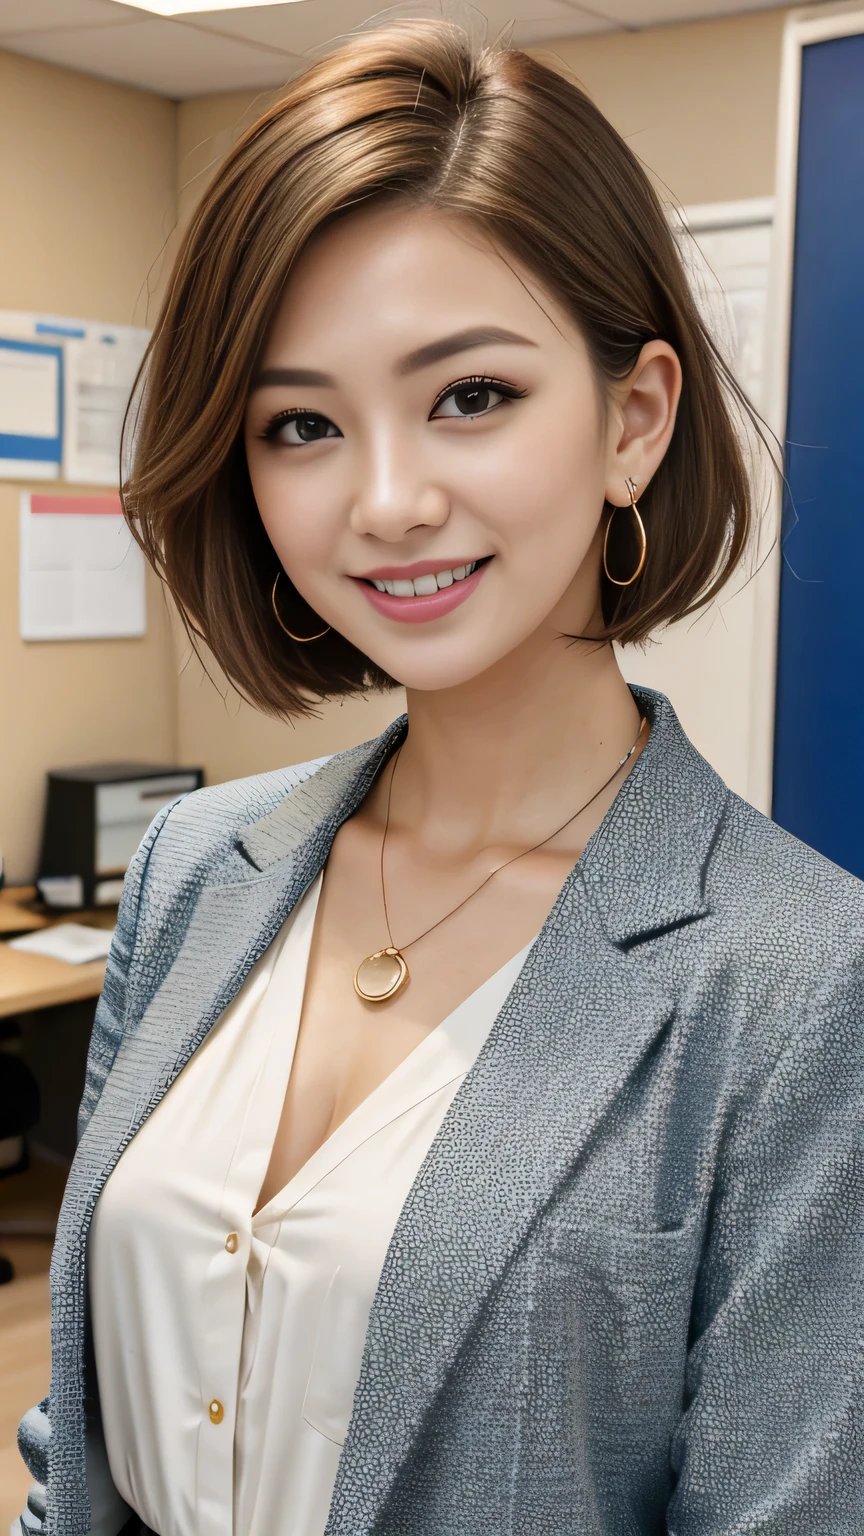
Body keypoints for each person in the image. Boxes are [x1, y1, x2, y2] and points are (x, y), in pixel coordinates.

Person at [17, 19, 863, 1536]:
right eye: (302, 425)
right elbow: (74, 1430)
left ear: (633, 419)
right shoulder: (201, 865)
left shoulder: (804, 985)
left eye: (470, 394)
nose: (389, 499)